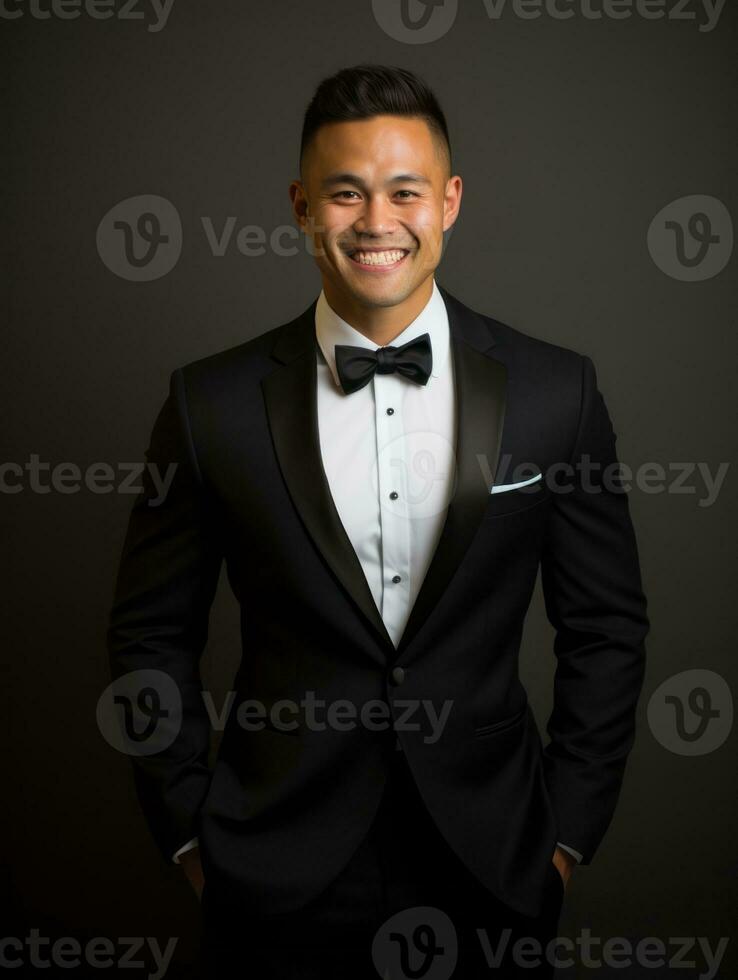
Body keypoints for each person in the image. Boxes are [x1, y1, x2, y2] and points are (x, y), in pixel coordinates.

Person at [107, 64, 649, 979]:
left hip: (495, 862)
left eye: (405, 192)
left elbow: (607, 628)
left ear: (451, 201)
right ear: (301, 205)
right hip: (272, 866)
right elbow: (149, 635)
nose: (376, 221)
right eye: (345, 192)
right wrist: (192, 838)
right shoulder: (210, 404)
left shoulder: (559, 392)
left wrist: (564, 841)